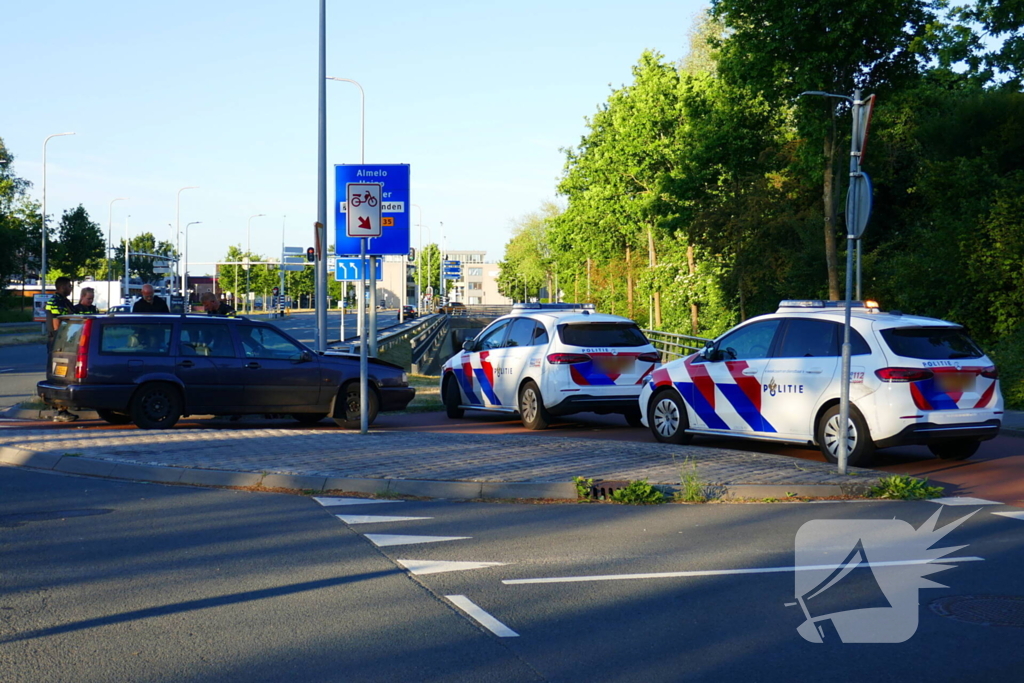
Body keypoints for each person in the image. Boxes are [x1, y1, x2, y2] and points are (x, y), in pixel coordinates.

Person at [44, 276, 78, 422]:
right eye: (69, 286)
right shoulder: (55, 302)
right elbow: (58, 324)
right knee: (59, 376)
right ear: (62, 286)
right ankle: (58, 410)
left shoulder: (64, 301)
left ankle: (62, 408)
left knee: (64, 375)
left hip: (64, 343)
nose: (70, 288)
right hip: (59, 344)